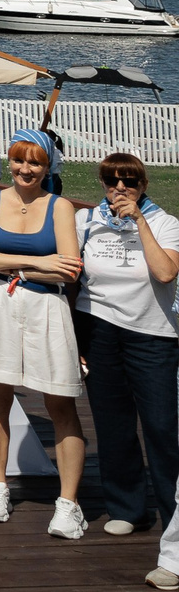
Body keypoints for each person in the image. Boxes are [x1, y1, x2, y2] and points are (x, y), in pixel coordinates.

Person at [0, 129, 89, 536]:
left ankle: (68, 504)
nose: (25, 169)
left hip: (46, 307)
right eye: (19, 160)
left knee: (61, 403)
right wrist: (36, 262)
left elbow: (69, 268)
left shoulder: (60, 206)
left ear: (48, 166)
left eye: (35, 162)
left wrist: (1, 259)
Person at [73, 151, 179, 538]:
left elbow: (166, 273)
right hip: (98, 330)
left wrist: (139, 221)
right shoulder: (85, 221)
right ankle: (127, 507)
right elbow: (71, 276)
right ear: (102, 183)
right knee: (112, 424)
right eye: (112, 181)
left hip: (152, 335)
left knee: (163, 428)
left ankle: (174, 514)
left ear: (143, 185)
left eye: (129, 181)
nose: (120, 188)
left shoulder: (165, 222)